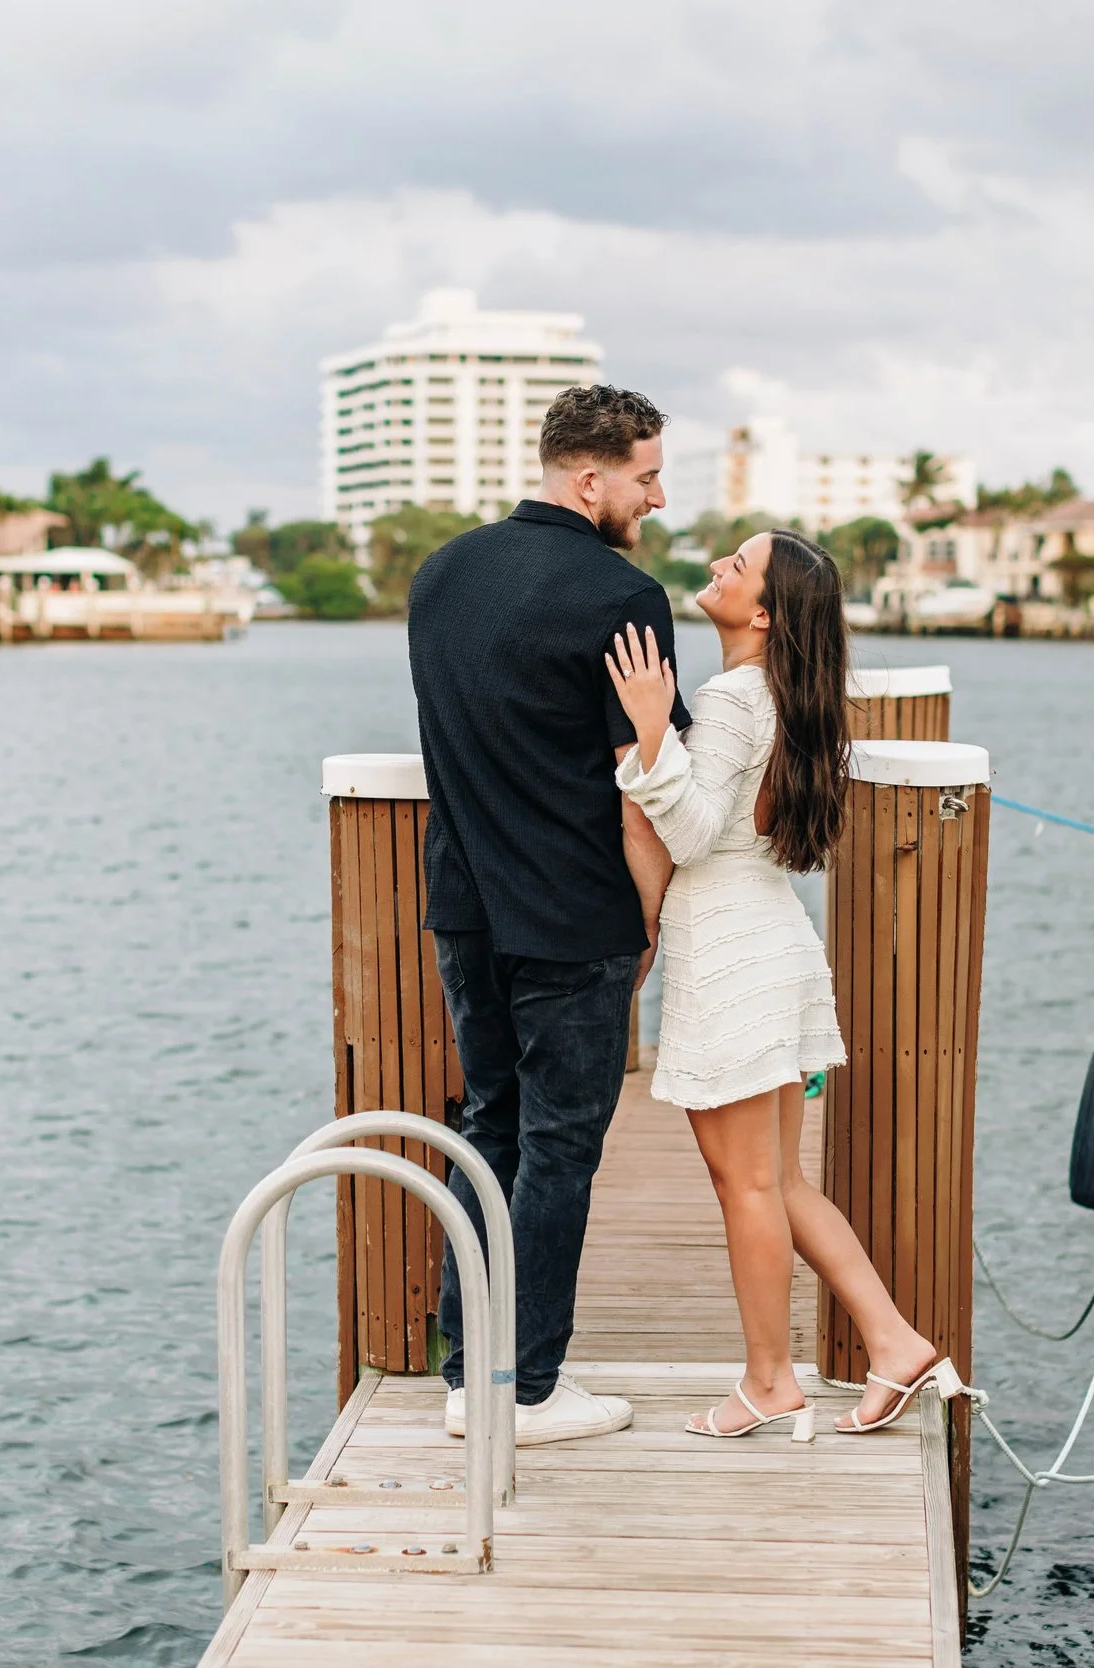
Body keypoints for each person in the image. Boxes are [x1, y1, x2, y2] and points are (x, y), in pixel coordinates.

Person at [604, 530, 960, 1438]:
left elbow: (687, 834)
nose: (719, 565)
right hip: (773, 942)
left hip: (730, 955)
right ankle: (894, 1341)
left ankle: (769, 1381)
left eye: (739, 564)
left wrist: (650, 733)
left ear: (762, 612)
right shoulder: (787, 698)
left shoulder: (728, 700)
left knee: (749, 1187)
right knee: (780, 1181)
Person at [408, 383, 688, 1445]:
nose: (655, 497)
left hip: (466, 901)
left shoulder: (441, 575)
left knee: (488, 1127)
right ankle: (525, 1390)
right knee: (562, 1147)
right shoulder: (621, 594)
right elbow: (644, 775)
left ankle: (461, 1378)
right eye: (646, 475)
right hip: (574, 910)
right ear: (591, 478)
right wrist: (650, 922)